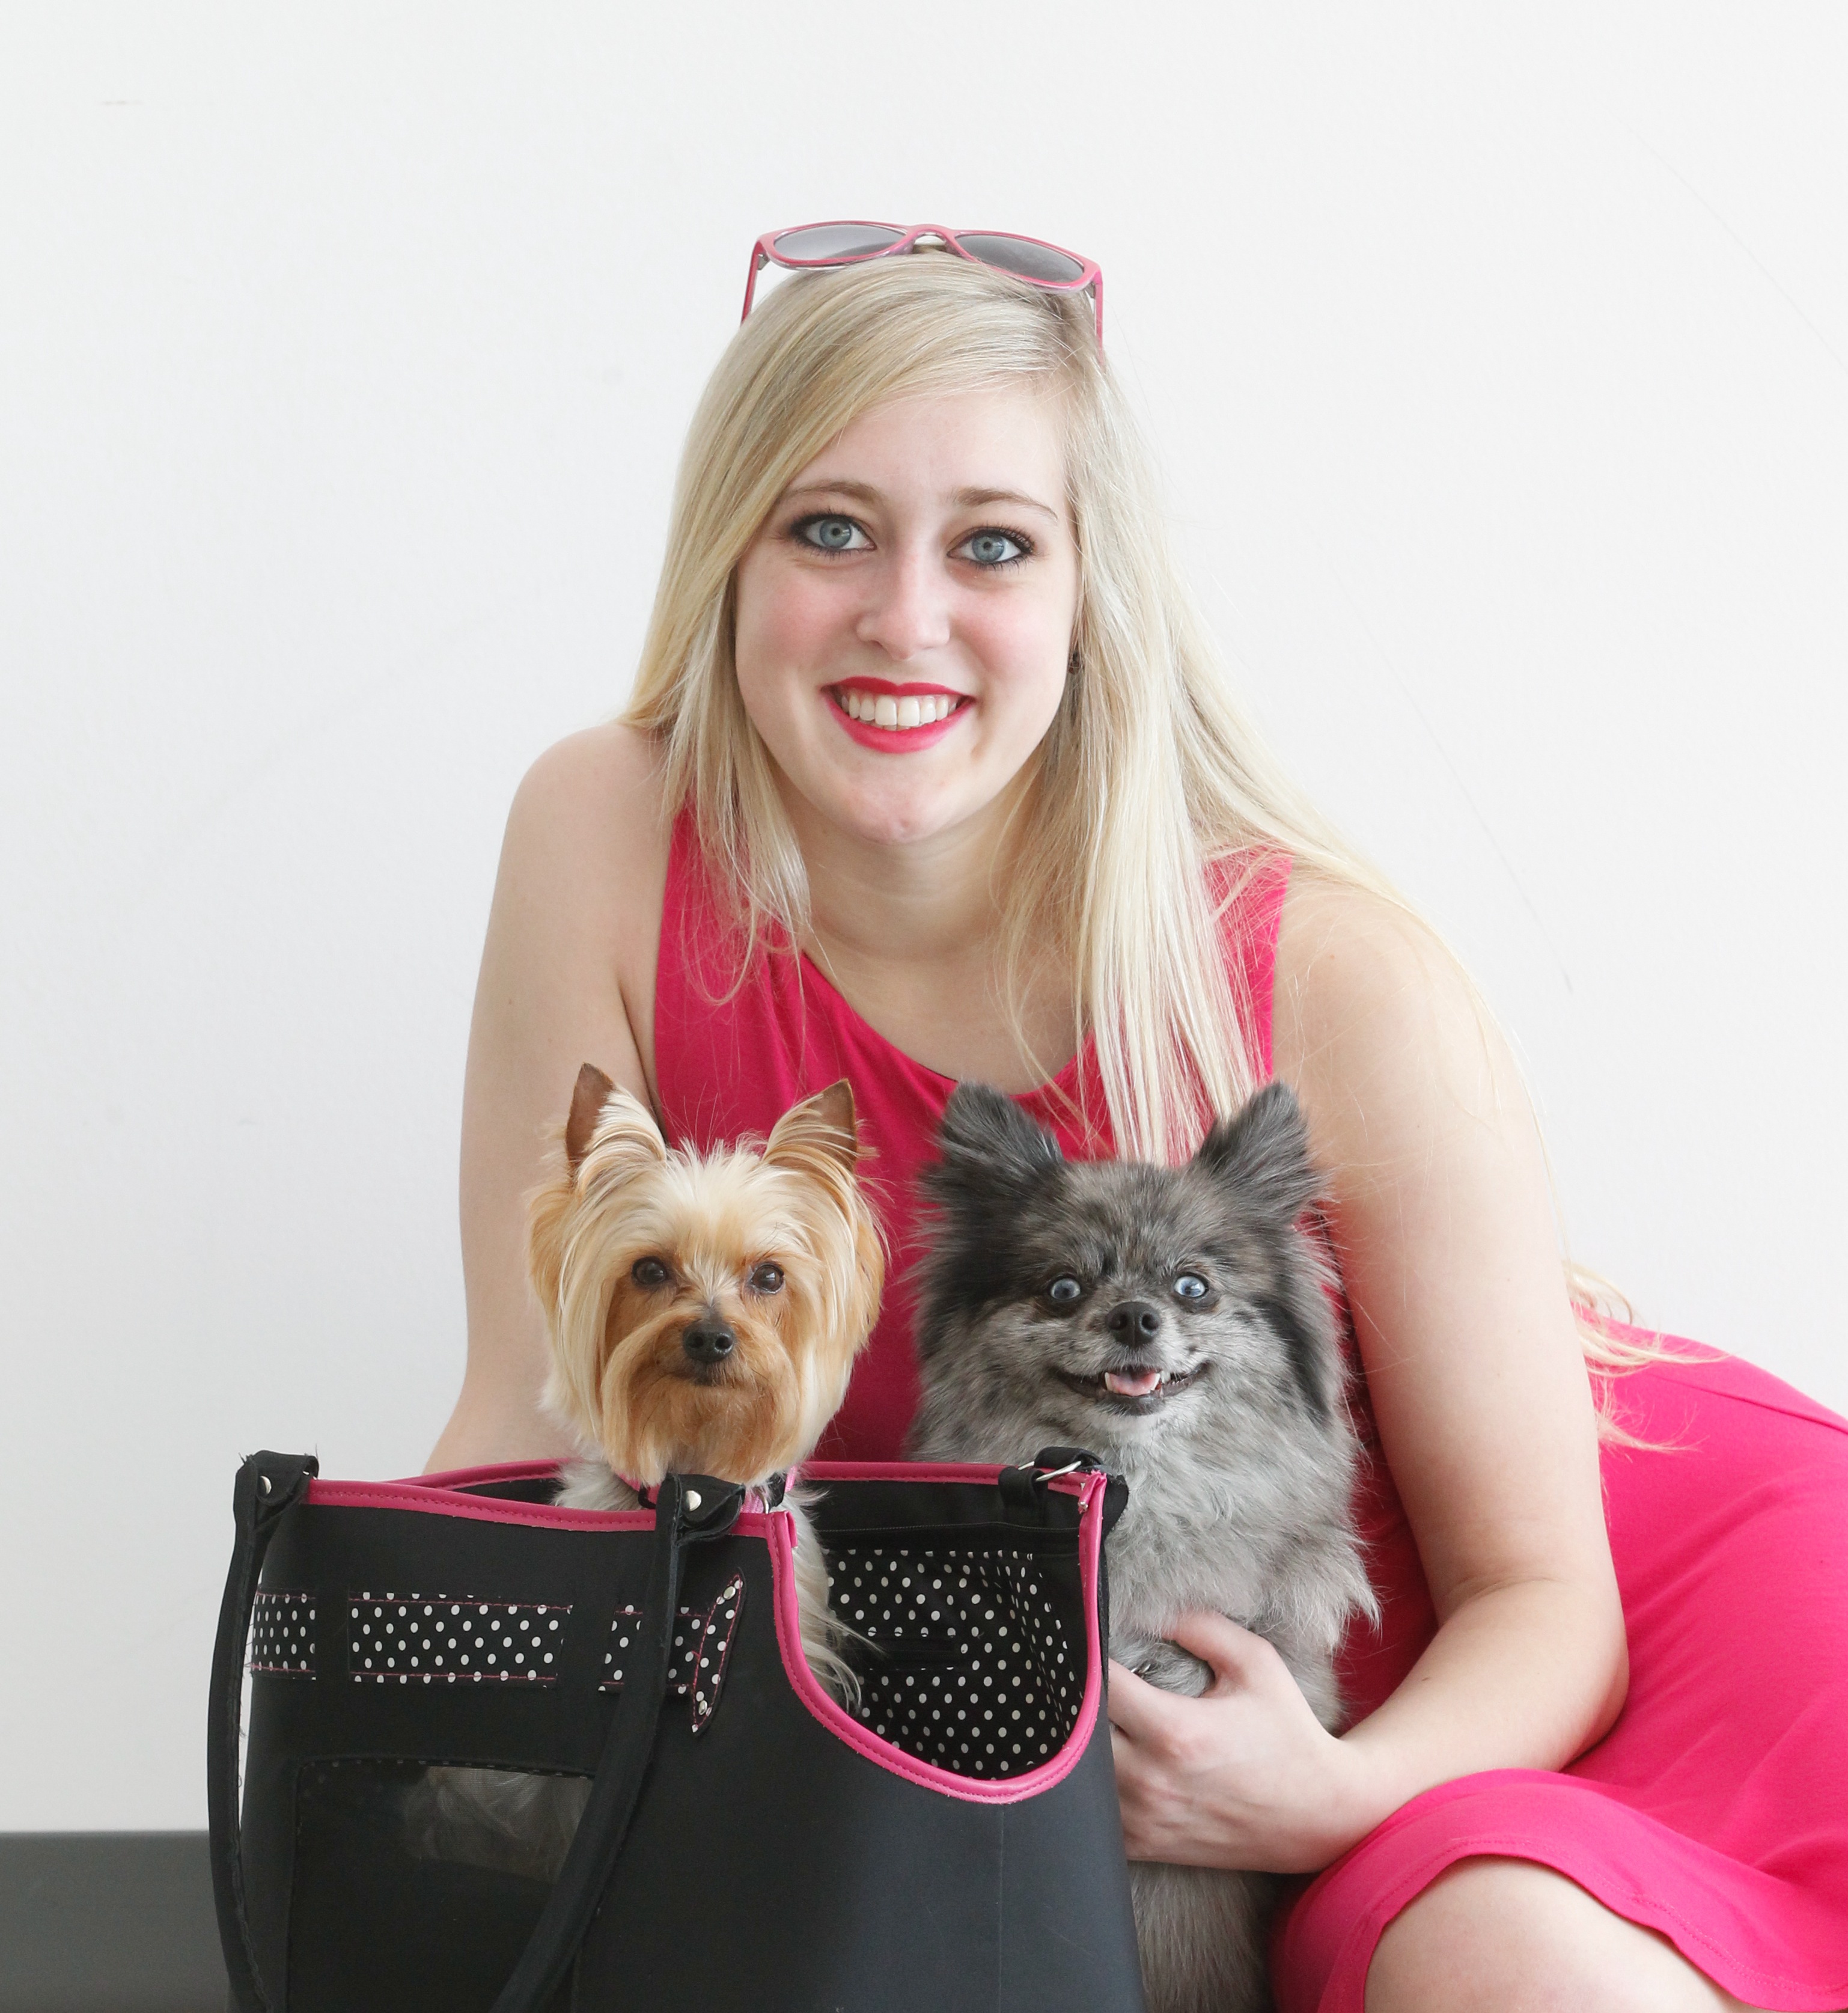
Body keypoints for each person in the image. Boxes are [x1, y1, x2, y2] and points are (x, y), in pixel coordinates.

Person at [429, 234, 1848, 2012]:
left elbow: (1548, 1600)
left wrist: (1320, 1794)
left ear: (1093, 590)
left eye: (993, 544)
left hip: (1503, 1672)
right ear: (728, 554)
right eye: (829, 529)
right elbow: (531, 1415)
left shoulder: (1329, 969)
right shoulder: (608, 828)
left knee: (1500, 1965)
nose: (906, 618)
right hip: (1070, 1744)